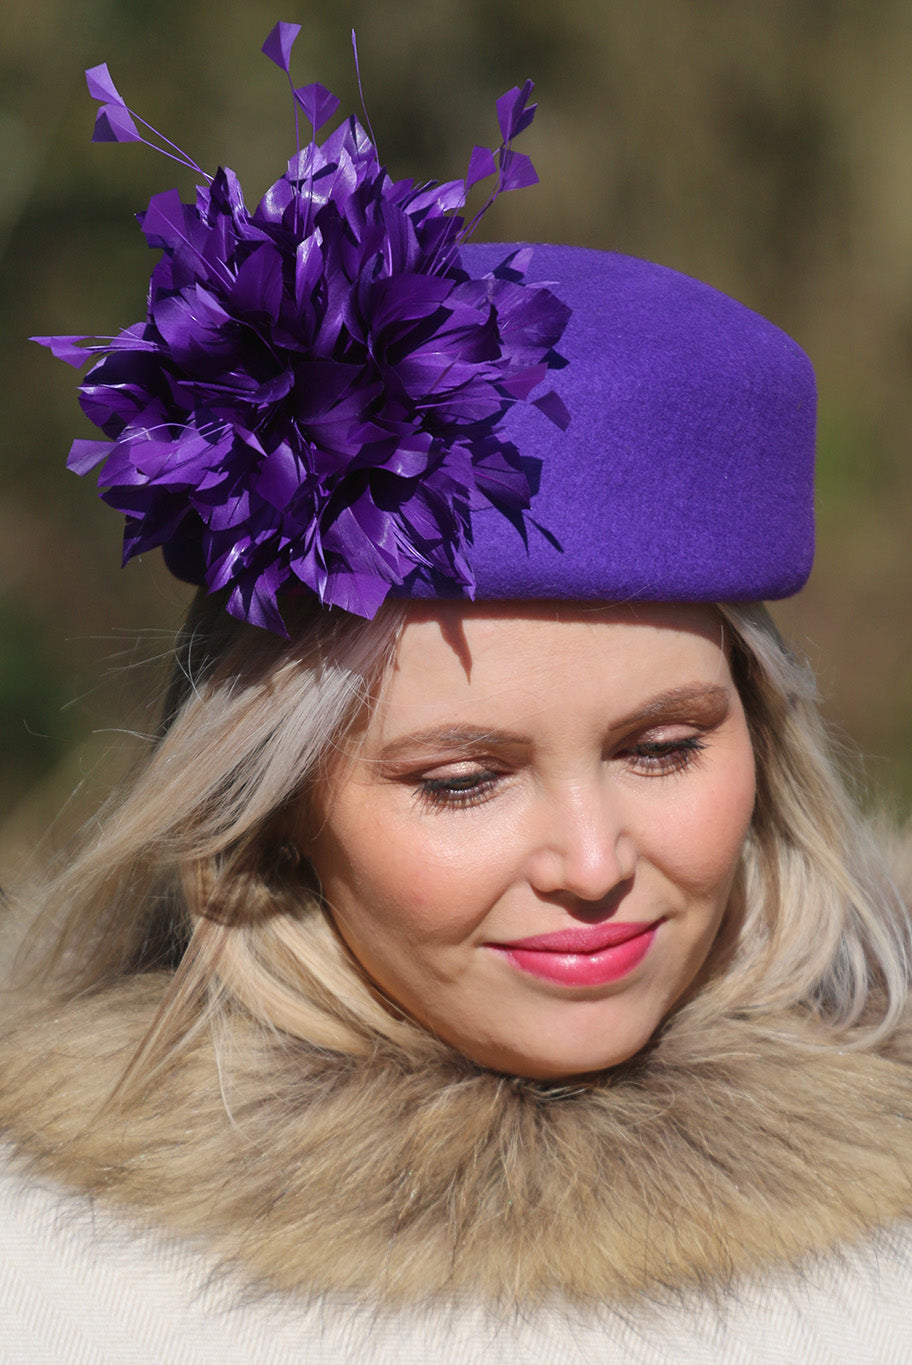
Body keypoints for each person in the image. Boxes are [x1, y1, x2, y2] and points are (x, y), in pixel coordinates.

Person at [2, 23, 911, 1363]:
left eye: (663, 748)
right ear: (274, 806)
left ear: (766, 739)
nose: (596, 863)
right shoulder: (56, 1278)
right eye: (463, 778)